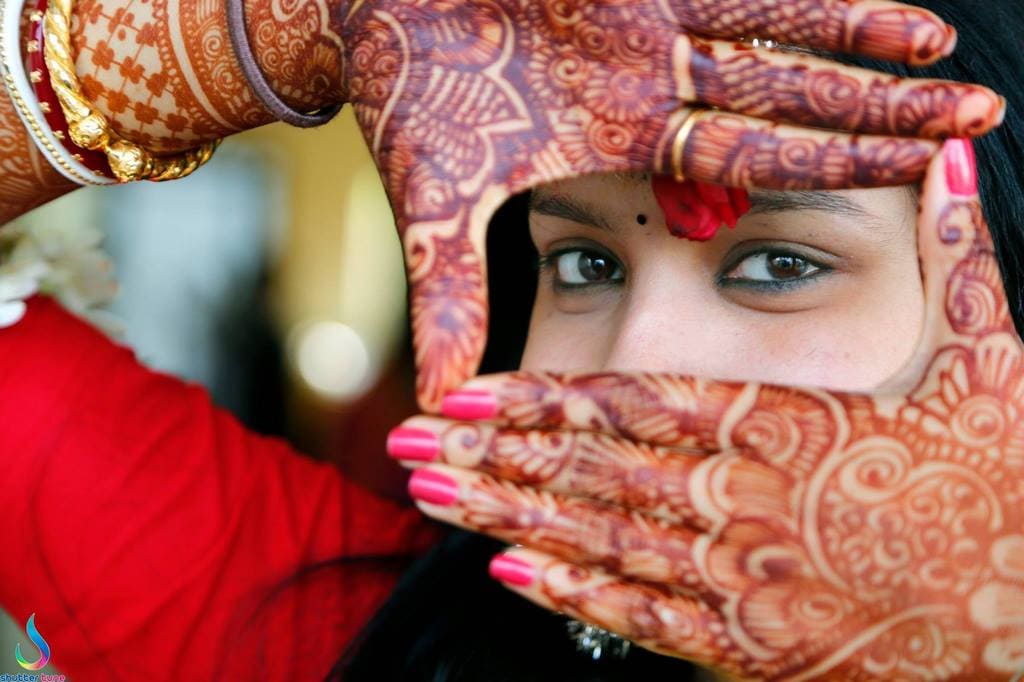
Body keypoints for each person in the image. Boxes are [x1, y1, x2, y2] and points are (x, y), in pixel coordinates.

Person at [0, 1, 1015, 682]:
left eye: (782, 264)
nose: (627, 364)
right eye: (585, 263)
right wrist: (267, 37)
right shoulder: (327, 636)